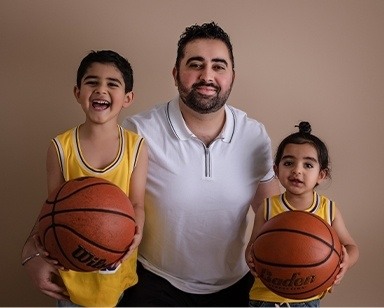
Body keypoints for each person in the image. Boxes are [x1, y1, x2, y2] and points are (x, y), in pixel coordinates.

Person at [118, 22, 280, 307]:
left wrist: (319, 253)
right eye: (196, 64)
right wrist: (37, 249)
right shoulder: (139, 131)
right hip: (156, 281)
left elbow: (274, 211)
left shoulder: (254, 135)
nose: (207, 76)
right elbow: (98, 202)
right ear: (176, 74)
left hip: (235, 284)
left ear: (232, 76)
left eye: (219, 66)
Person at [21, 50, 148, 307]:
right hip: (71, 281)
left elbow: (137, 204)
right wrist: (32, 253)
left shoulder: (136, 147)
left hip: (118, 279)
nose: (101, 90)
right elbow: (52, 212)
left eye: (112, 84)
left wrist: (138, 232)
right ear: (77, 92)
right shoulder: (60, 147)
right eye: (92, 82)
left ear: (128, 98)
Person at [246, 121, 359, 307]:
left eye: (308, 165)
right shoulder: (267, 207)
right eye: (288, 163)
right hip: (265, 297)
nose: (297, 170)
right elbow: (252, 246)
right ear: (276, 170)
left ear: (321, 175)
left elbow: (351, 246)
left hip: (308, 297)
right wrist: (250, 258)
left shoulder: (328, 210)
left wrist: (346, 262)